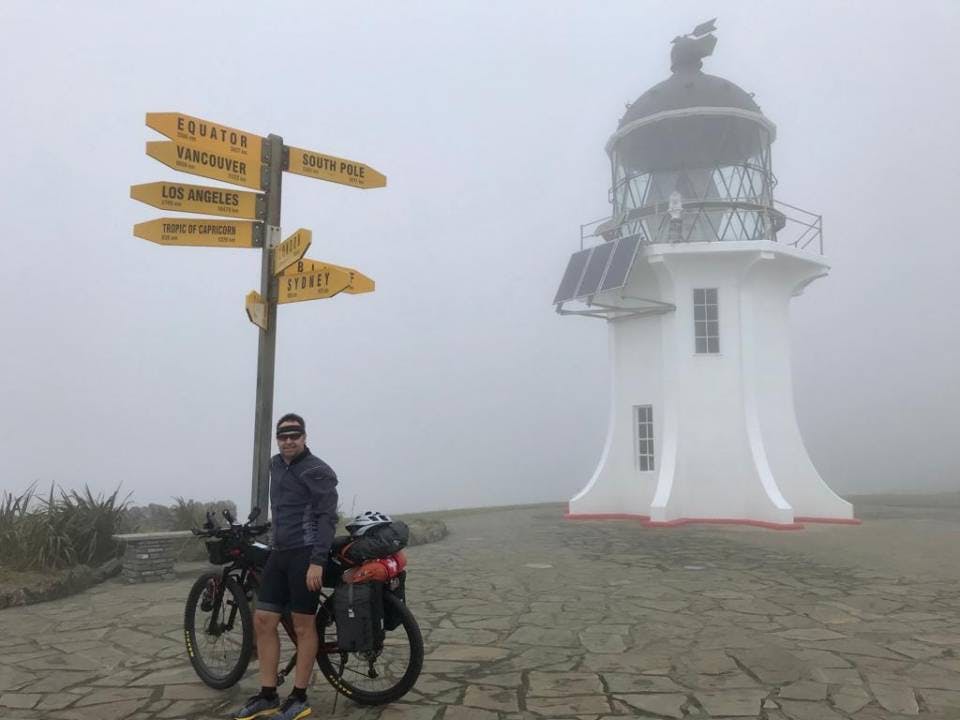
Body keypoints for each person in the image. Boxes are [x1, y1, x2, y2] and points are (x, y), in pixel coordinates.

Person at [233, 413, 338, 720]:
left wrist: (318, 561)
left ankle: (299, 696)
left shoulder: (318, 471)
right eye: (283, 436)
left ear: (305, 437)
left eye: (295, 435)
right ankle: (268, 695)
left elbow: (327, 518)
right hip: (280, 553)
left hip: (306, 554)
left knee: (303, 626)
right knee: (264, 620)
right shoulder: (276, 464)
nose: (288, 441)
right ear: (278, 439)